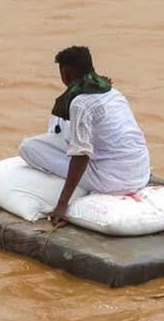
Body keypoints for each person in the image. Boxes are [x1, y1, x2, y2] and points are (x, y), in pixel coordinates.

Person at [19, 46, 150, 225]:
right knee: (66, 133)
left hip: (113, 181)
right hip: (140, 172)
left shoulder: (80, 103)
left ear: (66, 74)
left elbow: (81, 155)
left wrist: (62, 205)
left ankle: (73, 186)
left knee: (28, 147)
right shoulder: (111, 91)